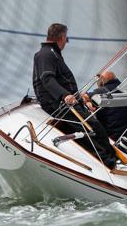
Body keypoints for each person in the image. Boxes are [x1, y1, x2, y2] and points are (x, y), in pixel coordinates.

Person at [32, 23, 118, 168]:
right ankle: (108, 163)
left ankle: (111, 158)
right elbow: (47, 79)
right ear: (63, 37)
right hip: (57, 103)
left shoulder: (52, 53)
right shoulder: (45, 54)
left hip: (66, 101)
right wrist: (65, 95)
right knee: (93, 127)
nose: (66, 42)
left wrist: (78, 96)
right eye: (66, 39)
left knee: (95, 126)